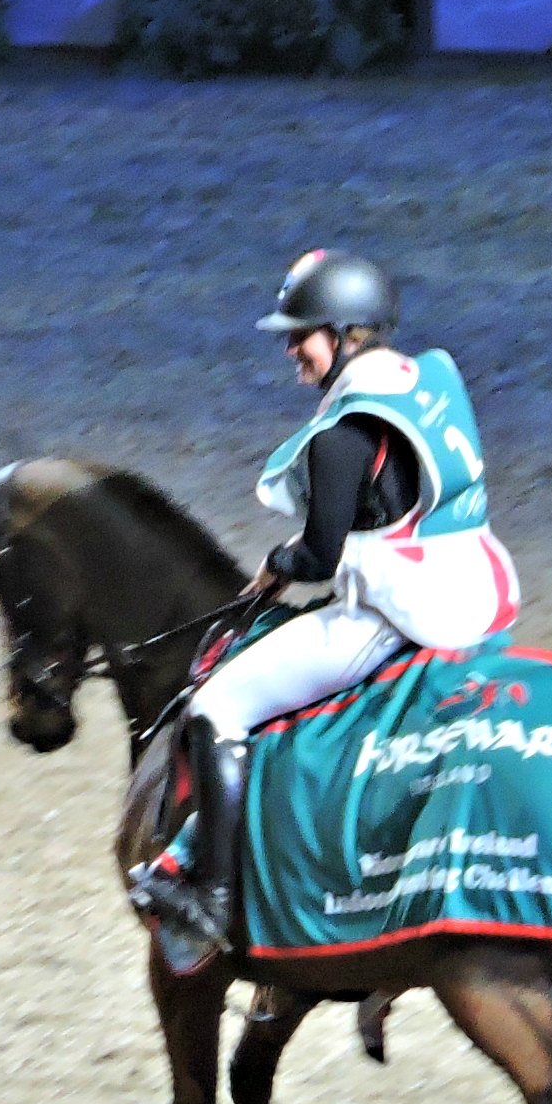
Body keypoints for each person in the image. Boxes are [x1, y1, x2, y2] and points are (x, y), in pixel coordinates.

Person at [129, 250, 520, 953]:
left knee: (218, 704)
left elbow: (321, 555)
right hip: (476, 582)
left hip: (395, 610)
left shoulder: (342, 432)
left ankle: (211, 894)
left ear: (345, 333)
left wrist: (282, 562)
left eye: (302, 334)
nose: (291, 350)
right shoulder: (423, 377)